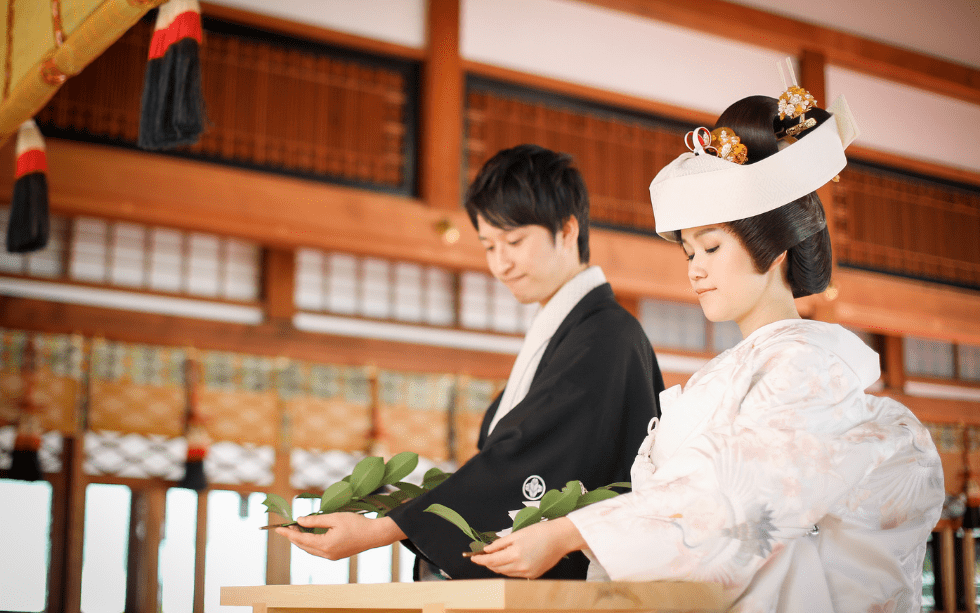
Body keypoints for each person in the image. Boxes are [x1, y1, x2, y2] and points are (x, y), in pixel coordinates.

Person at [470, 92, 945, 611]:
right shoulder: (732, 371)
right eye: (689, 251)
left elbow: (737, 500)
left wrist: (571, 531)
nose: (695, 269)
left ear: (774, 248)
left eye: (712, 247)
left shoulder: (809, 365)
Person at [278, 144, 665, 579]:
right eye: (489, 245)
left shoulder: (605, 337)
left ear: (568, 229)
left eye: (514, 241)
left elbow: (526, 458)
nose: (501, 264)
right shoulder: (572, 332)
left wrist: (382, 529)